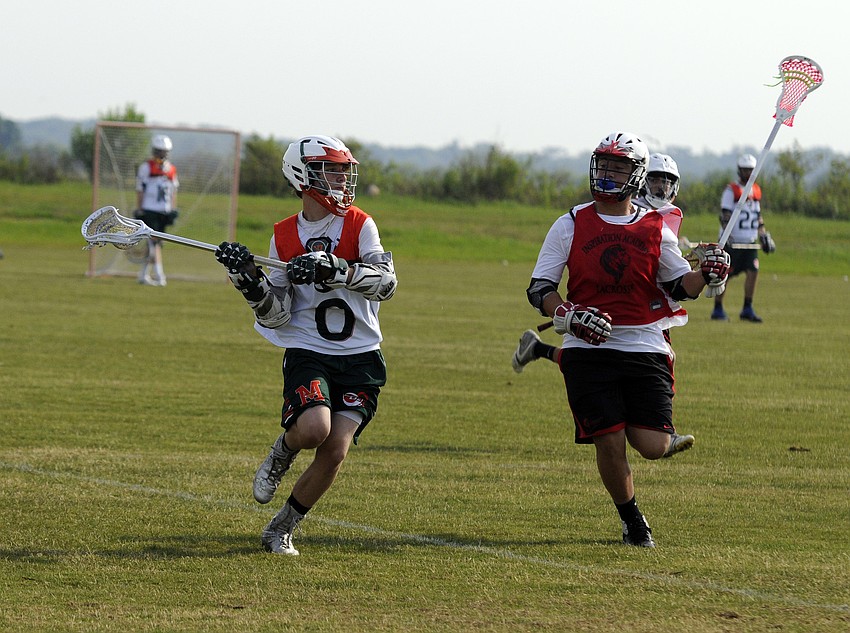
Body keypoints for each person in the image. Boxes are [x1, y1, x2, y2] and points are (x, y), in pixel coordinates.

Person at [517, 132, 729, 547]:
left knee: (650, 445)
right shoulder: (571, 222)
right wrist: (566, 314)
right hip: (587, 348)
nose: (607, 174)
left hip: (644, 344)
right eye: (603, 164)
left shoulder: (654, 227)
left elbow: (679, 286)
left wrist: (707, 273)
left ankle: (652, 448)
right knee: (609, 438)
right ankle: (633, 521)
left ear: (636, 175)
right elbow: (539, 287)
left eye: (618, 167)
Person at [214, 135, 397, 556]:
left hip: (361, 356)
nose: (341, 179)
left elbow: (386, 284)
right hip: (309, 349)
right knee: (315, 429)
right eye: (331, 170)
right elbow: (275, 314)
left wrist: (338, 270)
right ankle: (284, 450)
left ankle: (281, 527)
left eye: (342, 170)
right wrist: (249, 282)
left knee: (335, 450)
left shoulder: (359, 224)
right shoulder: (284, 235)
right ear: (303, 175)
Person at [710, 153, 776, 322]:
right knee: (726, 275)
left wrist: (764, 235)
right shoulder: (731, 190)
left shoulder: (756, 190)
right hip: (733, 242)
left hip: (749, 241)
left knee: (753, 271)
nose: (748, 174)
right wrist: (728, 236)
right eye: (745, 171)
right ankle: (718, 308)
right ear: (739, 171)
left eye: (751, 171)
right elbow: (725, 216)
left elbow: (757, 217)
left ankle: (747, 307)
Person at [135, 134, 179, 286]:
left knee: (155, 244)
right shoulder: (146, 167)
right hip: (150, 210)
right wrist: (140, 209)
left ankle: (143, 274)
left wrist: (172, 209)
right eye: (159, 151)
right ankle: (160, 275)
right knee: (154, 244)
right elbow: (140, 190)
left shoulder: (171, 169)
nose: (162, 155)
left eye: (164, 151)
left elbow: (173, 191)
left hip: (163, 211)